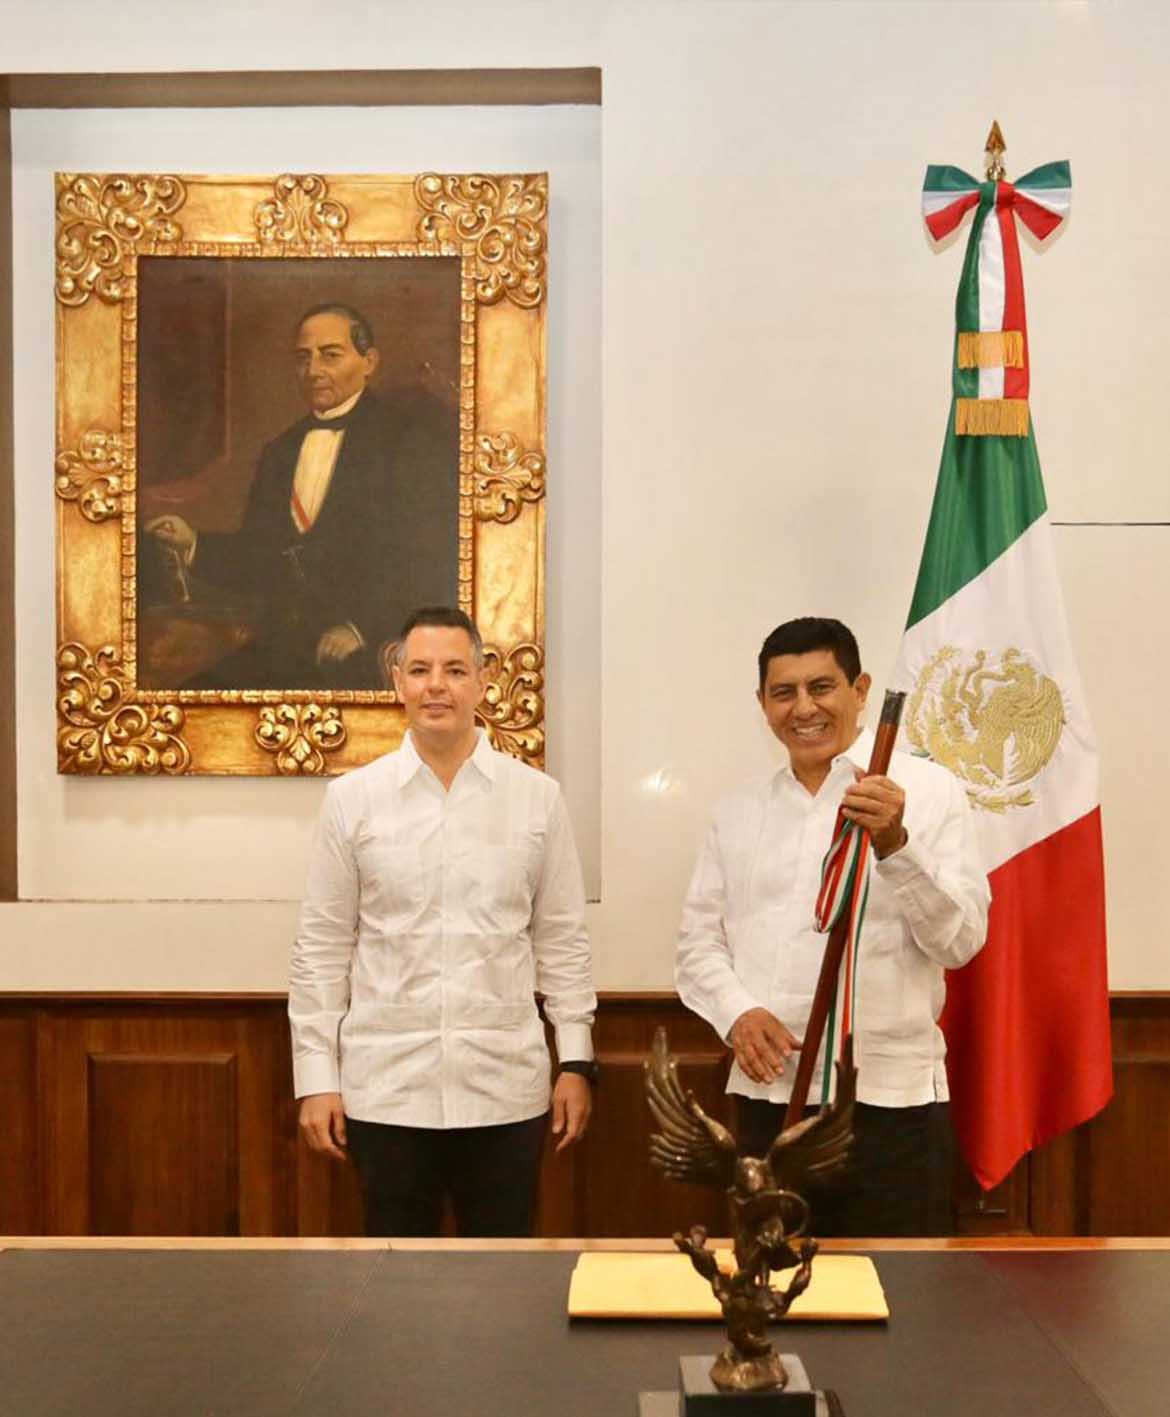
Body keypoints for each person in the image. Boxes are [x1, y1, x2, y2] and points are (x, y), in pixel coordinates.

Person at [289, 605, 597, 1236]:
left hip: (504, 1088)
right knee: (395, 1279)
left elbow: (562, 939)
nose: (437, 686)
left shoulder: (537, 799)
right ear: (397, 682)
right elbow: (321, 947)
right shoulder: (353, 799)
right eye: (421, 670)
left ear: (483, 682)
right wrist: (316, 1078)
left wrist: (576, 1062)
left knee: (505, 1276)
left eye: (455, 670)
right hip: (387, 1090)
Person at [675, 617, 989, 1236]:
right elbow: (698, 945)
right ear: (762, 703)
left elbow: (960, 943)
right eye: (783, 692)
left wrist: (897, 846)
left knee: (898, 1288)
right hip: (773, 1103)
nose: (803, 709)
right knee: (774, 1283)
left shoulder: (929, 792)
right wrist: (738, 1013)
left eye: (821, 687)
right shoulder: (738, 811)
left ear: (860, 689)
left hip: (891, 1105)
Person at [145, 303, 457, 689]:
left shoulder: (407, 442)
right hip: (283, 646)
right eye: (303, 358)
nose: (313, 371)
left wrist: (362, 629)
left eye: (330, 355)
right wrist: (193, 543)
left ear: (369, 362)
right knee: (192, 699)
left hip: (367, 651)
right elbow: (259, 555)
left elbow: (430, 561)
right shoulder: (280, 451)